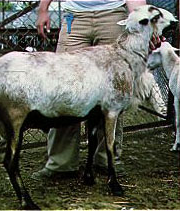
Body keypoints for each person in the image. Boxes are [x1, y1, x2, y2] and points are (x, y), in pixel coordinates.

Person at [32, 0, 147, 179]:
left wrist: (141, 19)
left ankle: (106, 159)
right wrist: (43, 9)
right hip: (75, 17)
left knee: (113, 90)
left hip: (113, 16)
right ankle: (61, 162)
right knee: (65, 87)